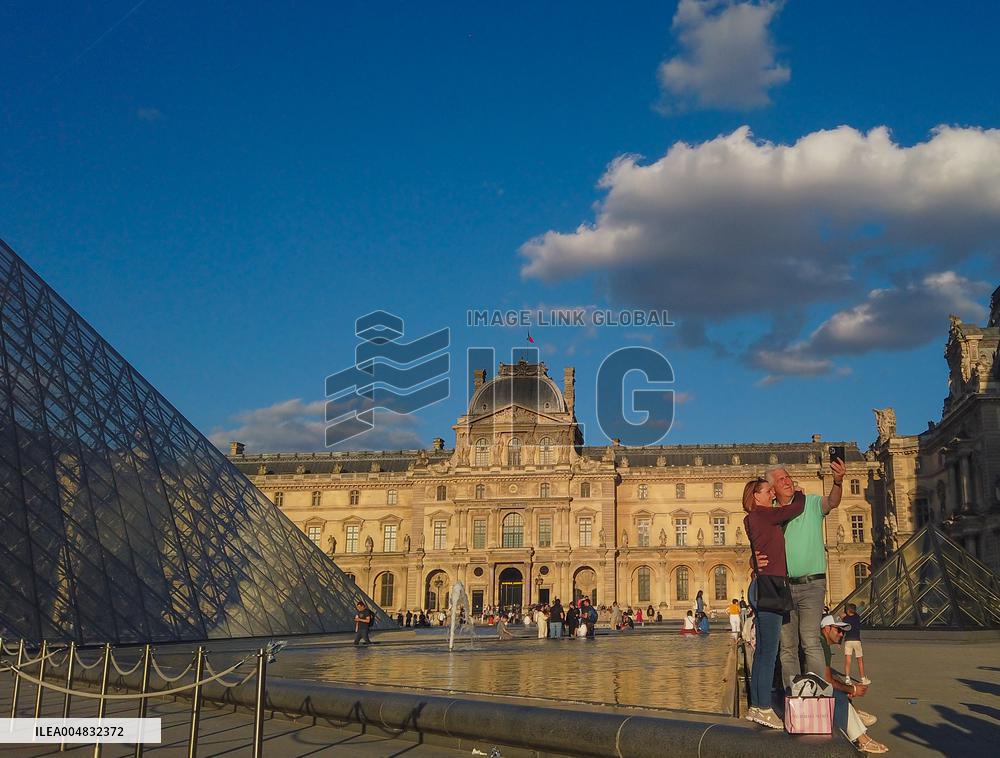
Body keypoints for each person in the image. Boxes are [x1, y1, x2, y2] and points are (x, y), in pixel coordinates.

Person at [764, 458, 846, 688]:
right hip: (783, 587)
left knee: (810, 640)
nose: (787, 481)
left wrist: (838, 481)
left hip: (812, 584)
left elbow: (832, 501)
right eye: (781, 480)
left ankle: (817, 692)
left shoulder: (810, 503)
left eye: (787, 477)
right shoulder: (771, 514)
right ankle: (794, 693)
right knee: (788, 646)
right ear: (772, 489)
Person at [743, 476, 806, 730]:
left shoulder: (753, 518)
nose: (772, 494)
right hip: (771, 585)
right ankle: (763, 708)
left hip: (763, 584)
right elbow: (795, 508)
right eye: (768, 491)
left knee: (762, 652)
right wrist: (799, 492)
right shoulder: (764, 514)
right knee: (768, 652)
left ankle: (757, 707)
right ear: (756, 496)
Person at [819, 615, 888, 753]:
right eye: (838, 630)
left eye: (843, 631)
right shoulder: (822, 645)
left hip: (808, 683)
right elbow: (827, 679)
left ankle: (860, 735)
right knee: (839, 697)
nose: (841, 634)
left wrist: (848, 689)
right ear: (826, 628)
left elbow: (826, 675)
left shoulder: (821, 643)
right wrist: (853, 689)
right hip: (805, 687)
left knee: (840, 693)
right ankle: (861, 739)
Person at [842, 603, 871, 685]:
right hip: (856, 640)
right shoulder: (857, 617)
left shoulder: (845, 619)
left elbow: (843, 627)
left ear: (847, 611)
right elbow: (855, 614)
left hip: (848, 640)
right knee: (860, 660)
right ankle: (863, 678)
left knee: (848, 660)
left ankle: (847, 678)